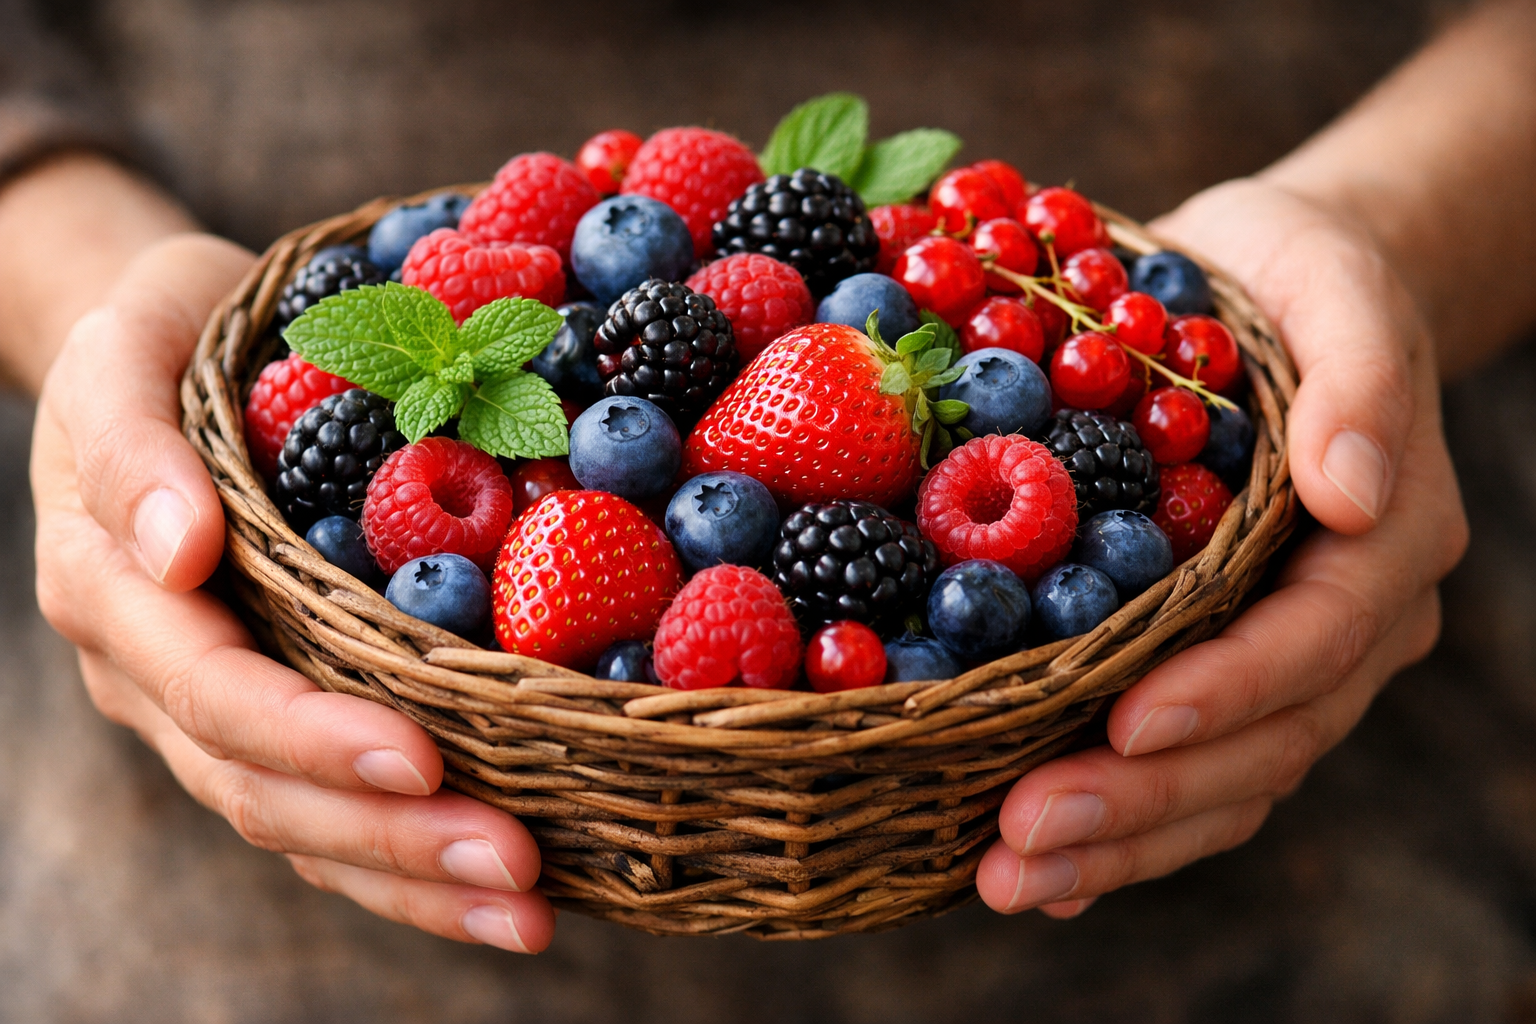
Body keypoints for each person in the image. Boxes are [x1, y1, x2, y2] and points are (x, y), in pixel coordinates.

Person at [2, 0, 1531, 957]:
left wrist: (1390, 226)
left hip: (1310, 869)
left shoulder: (918, 413)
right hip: (242, 943)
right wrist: (93, 283)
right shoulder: (528, 374)